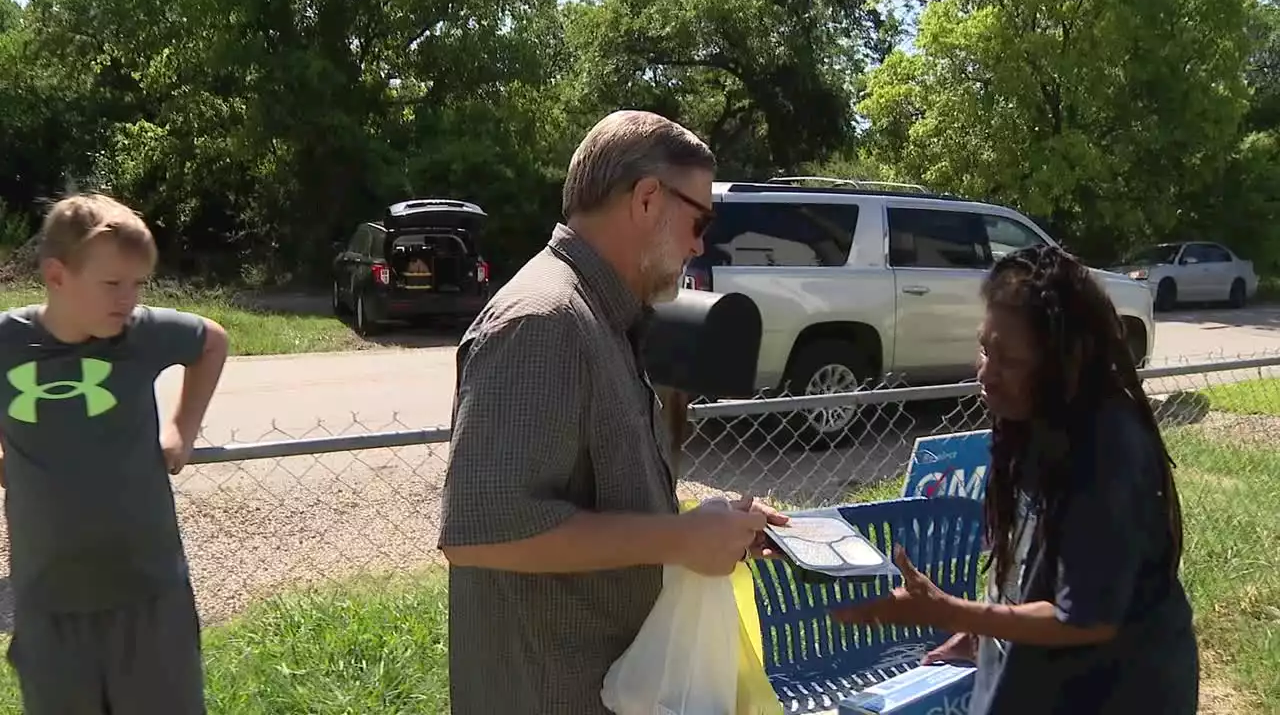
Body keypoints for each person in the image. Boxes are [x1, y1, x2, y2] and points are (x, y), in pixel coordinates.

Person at [438, 110, 786, 714]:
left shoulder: (603, 316)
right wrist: (678, 539)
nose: (700, 243)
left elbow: (594, 507)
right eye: (699, 219)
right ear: (648, 199)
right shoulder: (544, 320)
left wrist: (708, 528)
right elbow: (482, 532)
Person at [832, 244, 1198, 714]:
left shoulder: (1108, 448)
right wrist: (975, 633)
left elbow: (1085, 619)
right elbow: (1028, 567)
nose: (985, 373)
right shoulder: (1032, 422)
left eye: (1008, 359)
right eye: (985, 348)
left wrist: (950, 611)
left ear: (1061, 362)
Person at [0, 193, 229, 714]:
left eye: (138, 284)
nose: (128, 299)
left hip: (148, 593)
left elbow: (212, 342)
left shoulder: (140, 335)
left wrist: (181, 428)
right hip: (48, 602)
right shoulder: (7, 343)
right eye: (112, 284)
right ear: (57, 276)